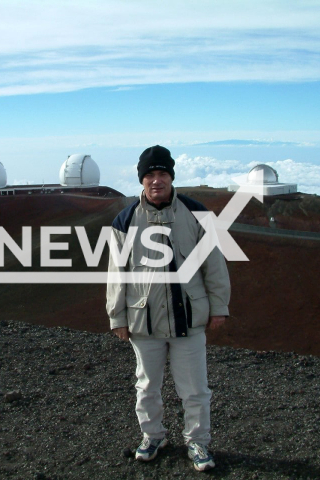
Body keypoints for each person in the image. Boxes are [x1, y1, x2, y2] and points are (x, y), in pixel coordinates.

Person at [106, 145, 230, 472]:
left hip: (188, 318)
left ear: (172, 177)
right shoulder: (125, 220)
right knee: (147, 386)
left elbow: (214, 266)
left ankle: (198, 443)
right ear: (141, 180)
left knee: (195, 389)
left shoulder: (196, 213)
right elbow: (117, 274)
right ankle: (153, 436)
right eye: (150, 175)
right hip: (143, 321)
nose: (156, 180)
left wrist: (219, 308)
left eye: (162, 174)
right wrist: (117, 316)